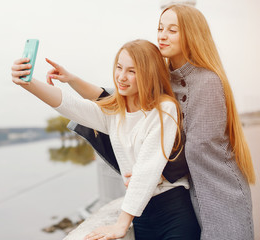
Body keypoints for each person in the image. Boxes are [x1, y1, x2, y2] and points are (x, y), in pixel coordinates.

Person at [45, 4, 256, 240]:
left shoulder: (207, 81)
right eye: (160, 28)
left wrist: (155, 173)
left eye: (172, 30)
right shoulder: (166, 75)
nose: (162, 35)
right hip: (187, 192)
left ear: (192, 34)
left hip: (216, 191)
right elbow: (115, 98)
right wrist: (71, 79)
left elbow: (200, 148)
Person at [12, 39, 201, 239]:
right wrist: (28, 83)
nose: (121, 76)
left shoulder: (164, 109)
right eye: (119, 67)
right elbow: (70, 105)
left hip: (173, 211)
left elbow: (147, 171)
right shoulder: (114, 113)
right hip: (141, 216)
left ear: (149, 74)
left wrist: (121, 224)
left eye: (132, 71)